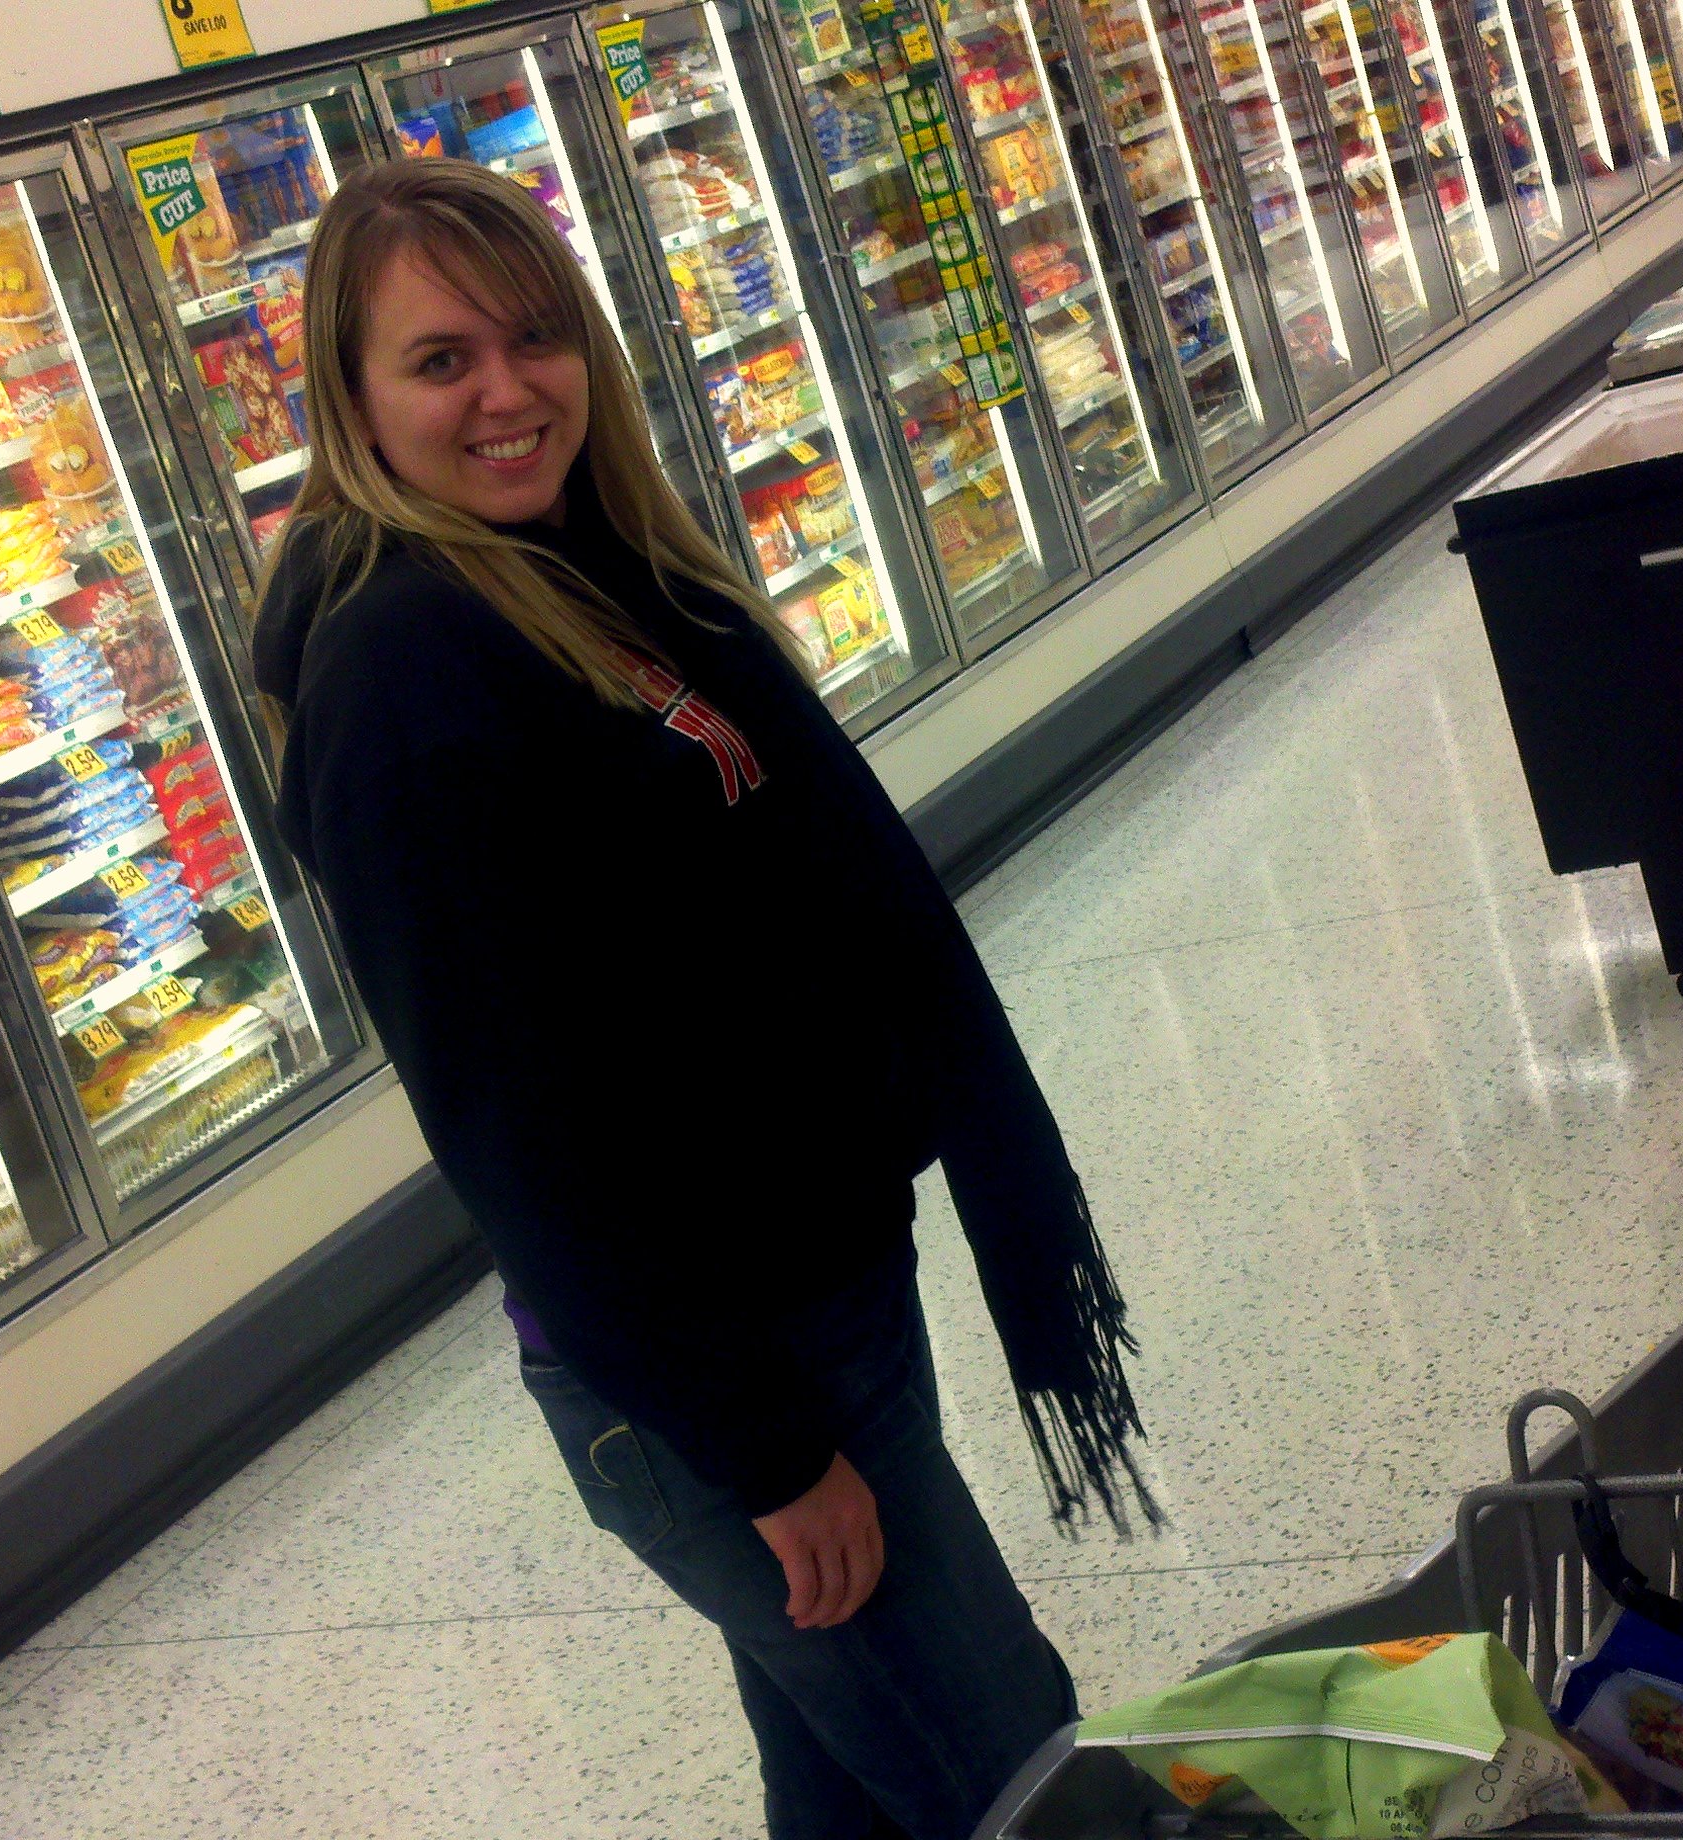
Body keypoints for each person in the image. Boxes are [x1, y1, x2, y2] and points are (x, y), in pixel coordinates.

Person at [246, 159, 1156, 1840]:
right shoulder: (400, 669)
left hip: (814, 1286)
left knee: (855, 1792)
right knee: (1026, 1781)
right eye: (441, 360)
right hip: (706, 1367)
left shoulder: (590, 571)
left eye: (535, 339)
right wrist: (763, 1454)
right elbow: (519, 1130)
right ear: (351, 397)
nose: (507, 392)